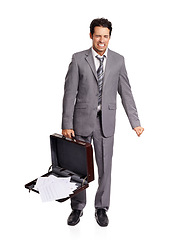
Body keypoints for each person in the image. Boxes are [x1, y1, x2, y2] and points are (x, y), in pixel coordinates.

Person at [61, 18, 144, 227]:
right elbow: (69, 93)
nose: (101, 40)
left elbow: (126, 93)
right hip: (80, 122)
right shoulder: (78, 59)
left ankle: (101, 208)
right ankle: (77, 207)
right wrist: (66, 123)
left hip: (105, 122)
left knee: (105, 167)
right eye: (97, 35)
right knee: (79, 168)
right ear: (91, 36)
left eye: (105, 36)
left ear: (109, 37)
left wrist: (135, 122)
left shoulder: (118, 60)